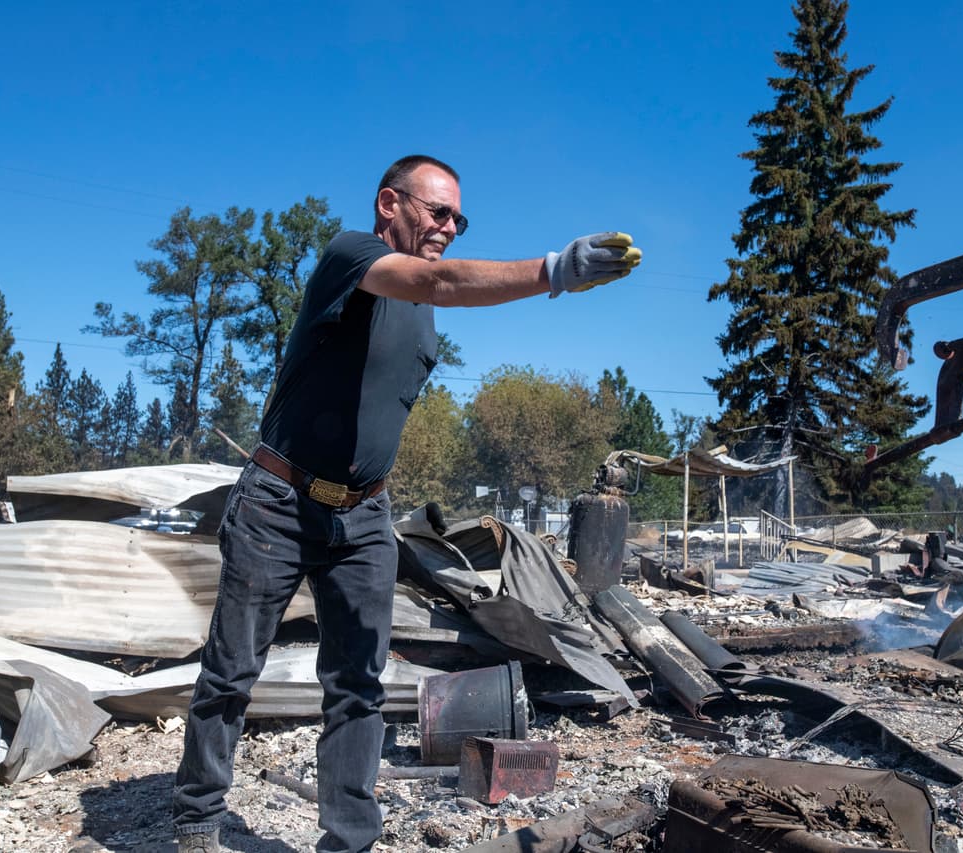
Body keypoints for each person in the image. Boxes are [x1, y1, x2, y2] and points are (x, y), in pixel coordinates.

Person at [171, 154, 641, 853]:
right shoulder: (351, 257)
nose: (450, 226)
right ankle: (197, 820)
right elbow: (441, 279)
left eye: (460, 217)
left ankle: (348, 839)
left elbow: (433, 301)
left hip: (363, 517)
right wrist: (556, 270)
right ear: (389, 203)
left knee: (359, 683)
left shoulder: (422, 319)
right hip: (280, 499)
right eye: (439, 211)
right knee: (233, 670)